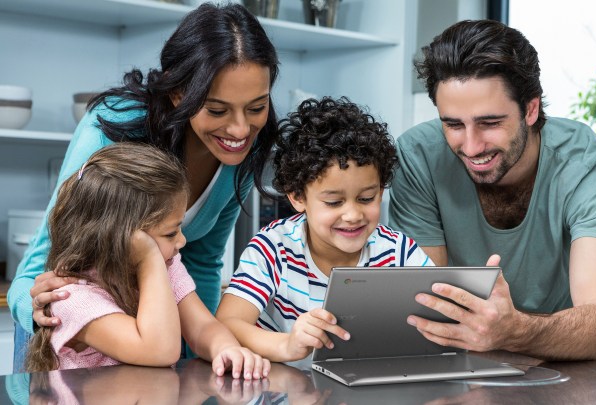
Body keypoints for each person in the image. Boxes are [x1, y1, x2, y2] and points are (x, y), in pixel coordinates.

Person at [8, 2, 280, 371]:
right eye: (217, 110)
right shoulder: (114, 126)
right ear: (178, 92)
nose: (240, 130)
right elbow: (49, 259)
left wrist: (208, 355)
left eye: (256, 107)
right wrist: (41, 312)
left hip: (152, 346)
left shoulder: (244, 155)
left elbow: (202, 264)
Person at [388, 20, 596, 365]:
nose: (470, 146)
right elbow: (428, 312)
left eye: (490, 123)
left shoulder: (592, 169)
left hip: (591, 379)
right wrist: (568, 325)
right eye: (452, 124)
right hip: (484, 371)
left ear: (531, 109)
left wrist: (515, 331)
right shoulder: (418, 157)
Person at [22, 143, 270, 378]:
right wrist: (149, 257)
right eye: (171, 233)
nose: (182, 241)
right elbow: (159, 351)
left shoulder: (167, 266)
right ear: (123, 238)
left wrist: (225, 348)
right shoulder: (73, 298)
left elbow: (203, 327)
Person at [215, 97, 433, 364]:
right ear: (297, 196)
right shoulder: (274, 248)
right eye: (334, 202)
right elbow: (227, 324)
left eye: (366, 198)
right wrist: (288, 344)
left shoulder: (397, 252)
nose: (353, 215)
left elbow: (435, 320)